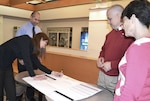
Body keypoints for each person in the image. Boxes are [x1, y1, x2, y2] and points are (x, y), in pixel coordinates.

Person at [0, 32, 62, 101]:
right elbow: (26, 59)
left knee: (11, 92)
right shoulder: (25, 39)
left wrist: (52, 72)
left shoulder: (32, 49)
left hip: (7, 65)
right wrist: (33, 76)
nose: (43, 47)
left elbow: (39, 65)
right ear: (41, 39)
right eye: (45, 44)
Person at [114, 0, 150, 101]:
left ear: (133, 19)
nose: (122, 26)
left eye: (124, 21)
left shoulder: (138, 49)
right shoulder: (147, 45)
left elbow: (131, 92)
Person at [97, 4, 135, 94]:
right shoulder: (109, 35)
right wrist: (100, 57)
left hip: (115, 78)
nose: (108, 22)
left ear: (119, 16)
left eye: (110, 19)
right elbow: (103, 50)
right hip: (102, 75)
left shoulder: (129, 36)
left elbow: (130, 60)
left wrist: (112, 65)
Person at [16, 11, 42, 101]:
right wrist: (20, 58)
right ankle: (18, 96)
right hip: (23, 58)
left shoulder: (38, 30)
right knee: (22, 79)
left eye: (38, 20)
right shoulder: (23, 28)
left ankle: (30, 97)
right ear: (30, 17)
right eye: (35, 19)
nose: (37, 22)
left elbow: (39, 46)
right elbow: (17, 44)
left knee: (32, 77)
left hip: (33, 58)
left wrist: (39, 57)